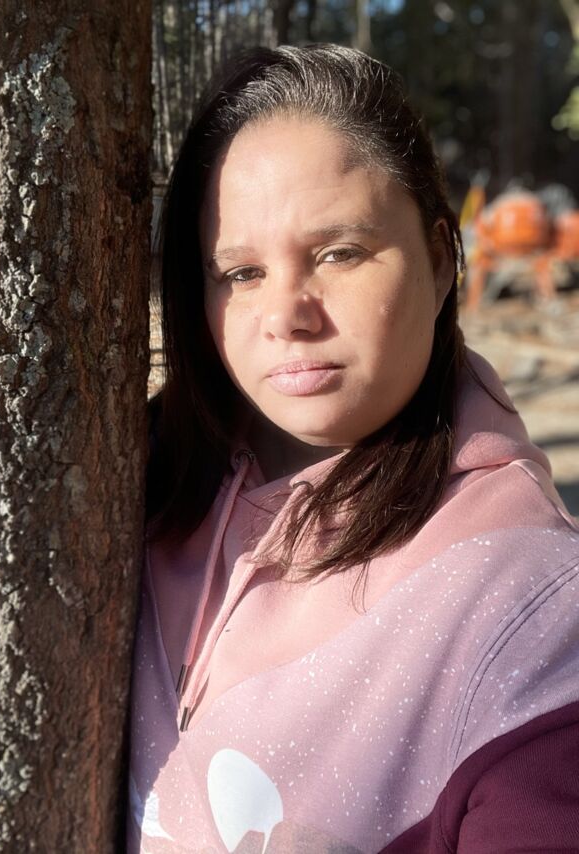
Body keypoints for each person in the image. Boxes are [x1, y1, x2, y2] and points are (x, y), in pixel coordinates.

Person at [128, 45, 579, 853]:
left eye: (339, 253)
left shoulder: (532, 610)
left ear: (440, 260)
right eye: (241, 272)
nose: (287, 315)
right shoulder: (139, 486)